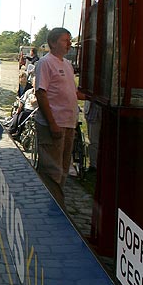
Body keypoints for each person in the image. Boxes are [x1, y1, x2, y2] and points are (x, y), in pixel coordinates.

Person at [34, 28, 86, 206]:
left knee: (63, 168)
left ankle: (55, 204)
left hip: (68, 123)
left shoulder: (67, 64)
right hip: (53, 124)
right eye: (66, 40)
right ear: (53, 42)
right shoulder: (46, 63)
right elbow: (41, 93)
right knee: (51, 169)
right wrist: (52, 124)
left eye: (69, 40)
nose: (69, 44)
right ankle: (53, 208)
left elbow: (70, 91)